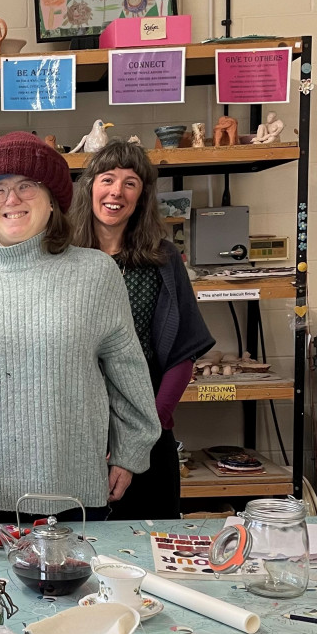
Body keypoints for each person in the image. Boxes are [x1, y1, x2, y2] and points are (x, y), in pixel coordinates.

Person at [0, 132, 160, 532]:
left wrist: (131, 451)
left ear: (53, 199)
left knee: (79, 594)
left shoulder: (96, 274)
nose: (11, 200)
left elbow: (128, 371)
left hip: (75, 494)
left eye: (27, 186)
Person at [69, 140, 214, 519]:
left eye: (130, 182)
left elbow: (184, 350)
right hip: (74, 416)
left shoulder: (162, 259)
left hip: (146, 413)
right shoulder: (61, 258)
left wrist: (150, 426)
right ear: (89, 187)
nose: (117, 191)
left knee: (149, 538)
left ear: (142, 196)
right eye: (107, 179)